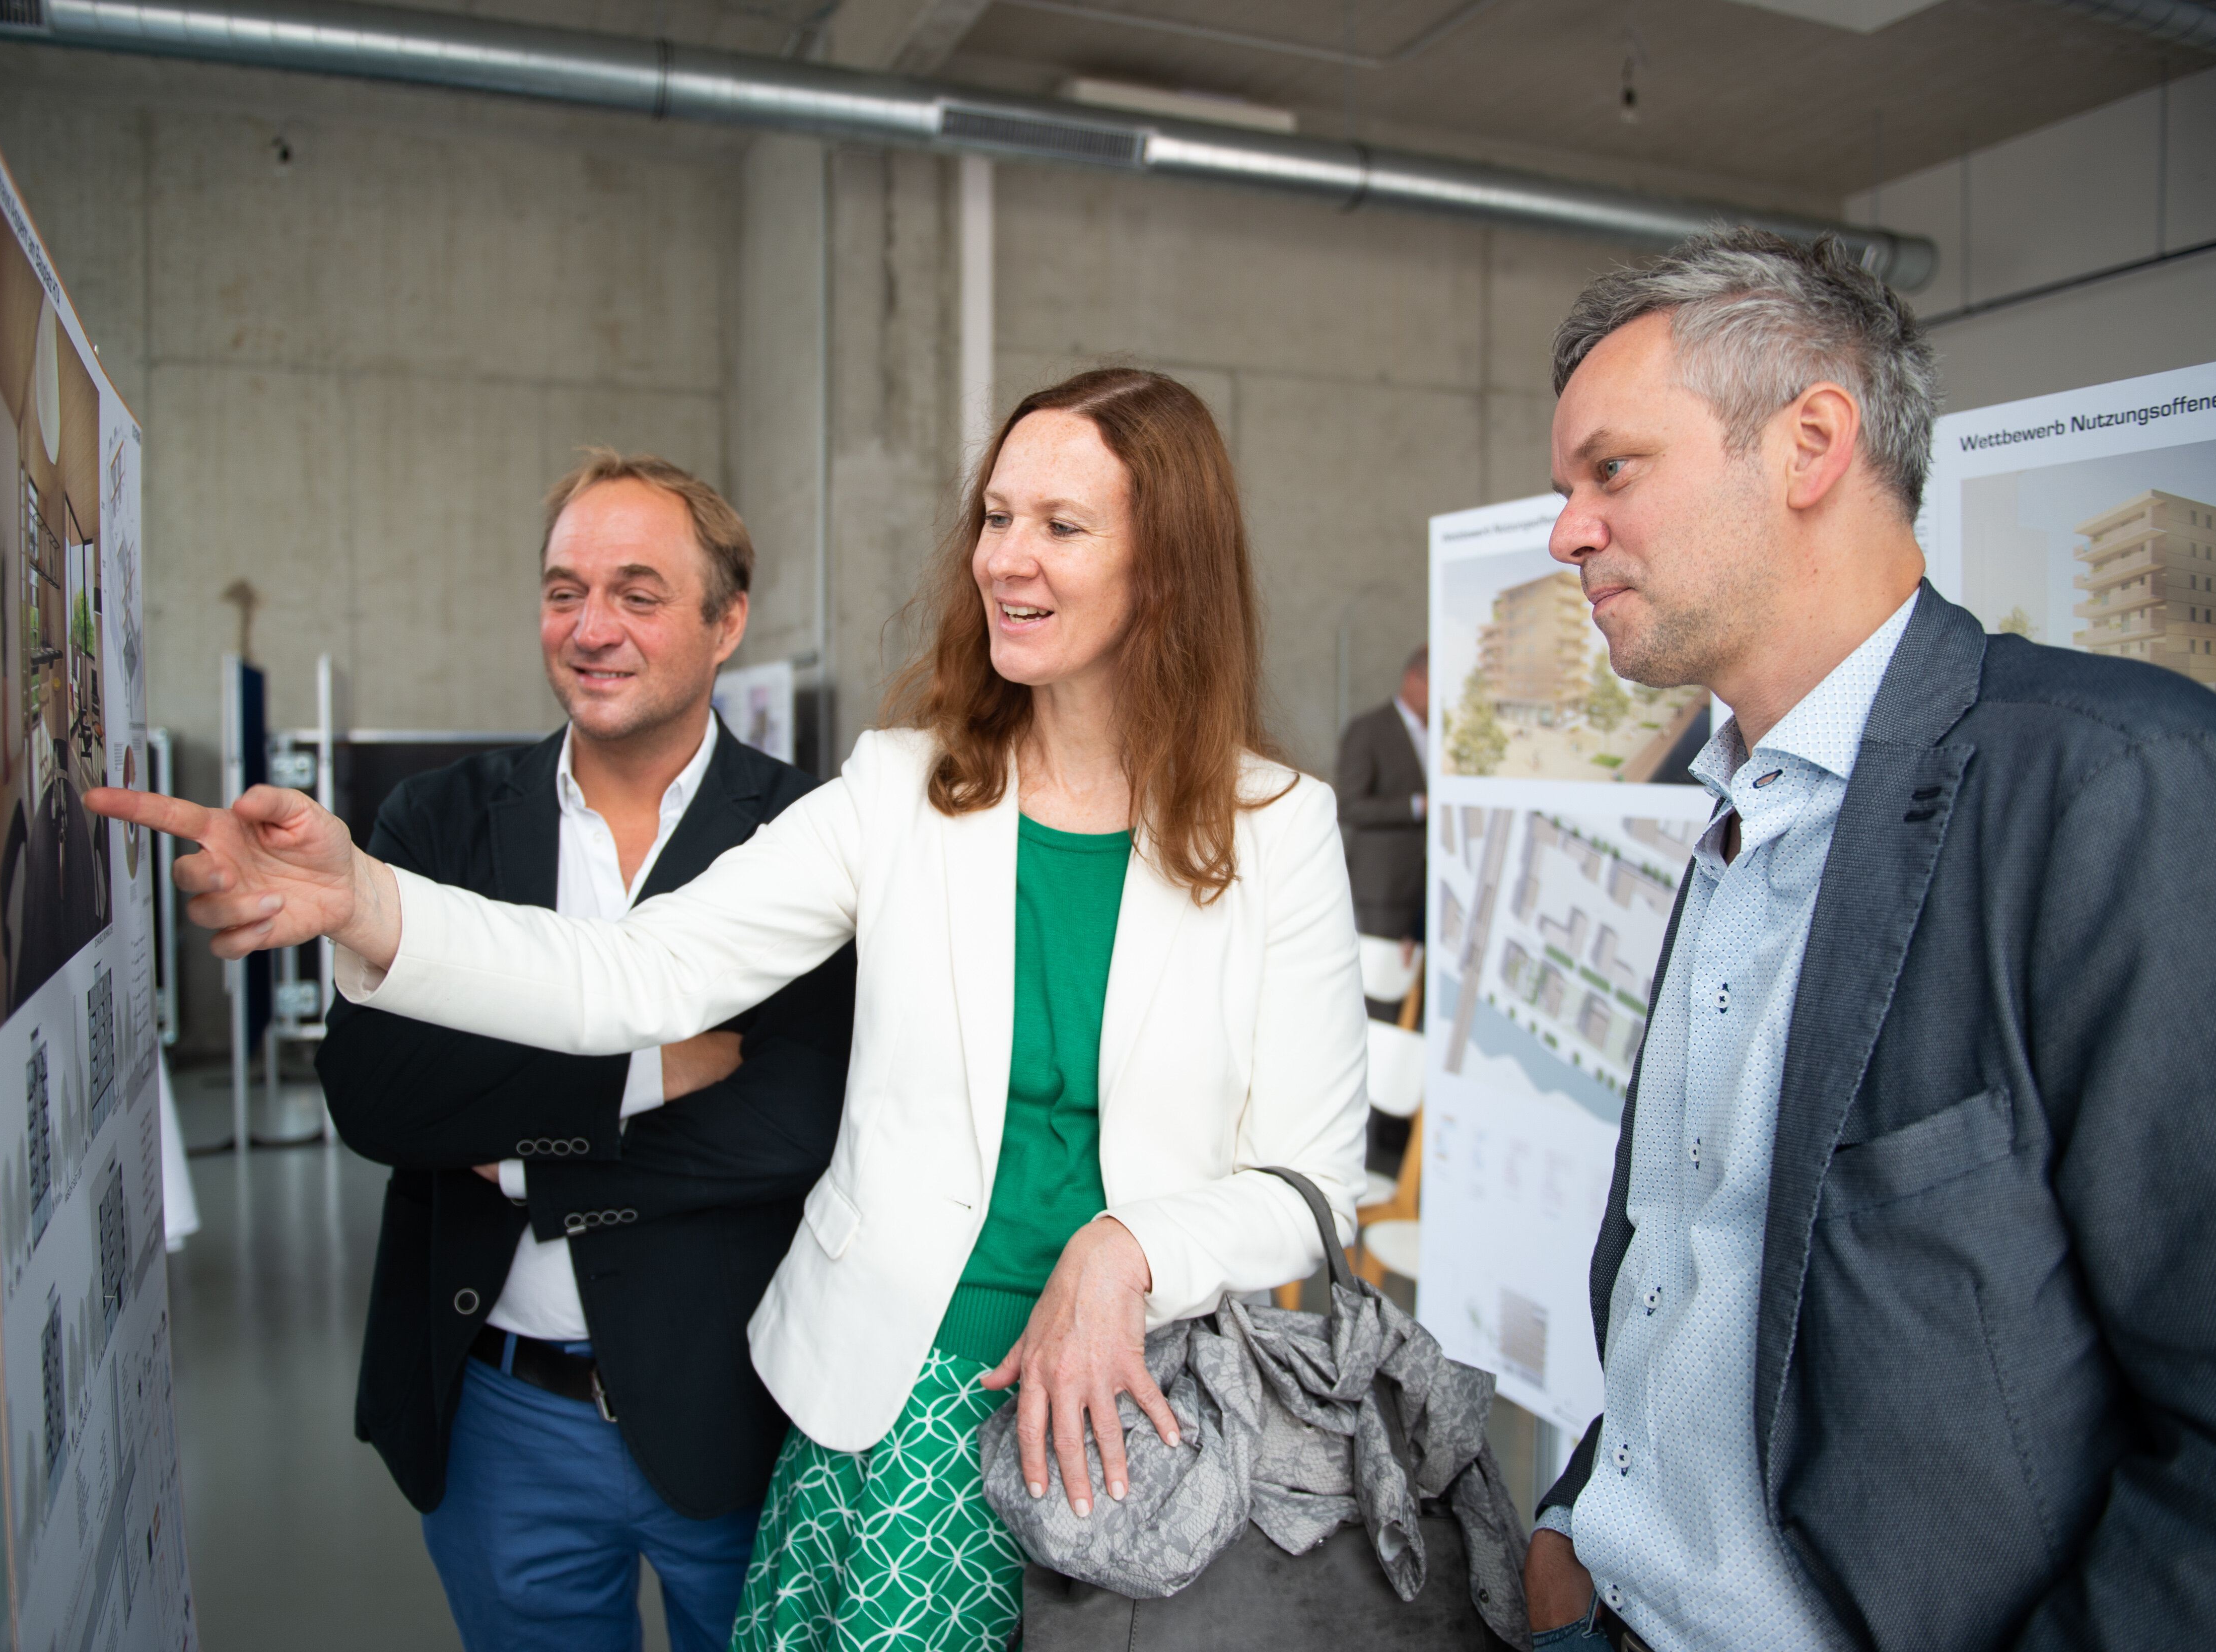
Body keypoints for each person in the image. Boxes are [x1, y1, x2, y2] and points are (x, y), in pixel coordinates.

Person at [91, 368, 1371, 1652]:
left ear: (1169, 568)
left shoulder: (1280, 827)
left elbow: (1315, 1177)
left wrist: (1126, 1246)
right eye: (995, 516)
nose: (1004, 559)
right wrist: (364, 899)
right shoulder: (905, 790)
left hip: (1136, 1414)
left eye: (1060, 525)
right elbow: (635, 971)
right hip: (891, 1408)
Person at [1518, 229, 2216, 1651]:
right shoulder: (1738, 808)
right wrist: (1573, 1522)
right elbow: (1702, 1270)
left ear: (1810, 443)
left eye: (1611, 472)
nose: (1566, 531)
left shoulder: (2121, 789)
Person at [315, 452, 856, 1652]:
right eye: (565, 590)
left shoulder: (815, 834)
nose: (591, 627)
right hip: (503, 1415)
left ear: (727, 623)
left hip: (744, 1412)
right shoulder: (437, 822)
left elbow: (797, 1117)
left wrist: (520, 1161)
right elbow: (376, 1092)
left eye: (637, 592)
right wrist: (652, 1067)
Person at [1335, 646, 1431, 949]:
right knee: (1384, 986)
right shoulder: (1369, 729)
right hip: (1385, 886)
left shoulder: (1445, 734)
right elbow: (1350, 806)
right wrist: (1417, 807)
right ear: (1414, 678)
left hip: (1432, 883)